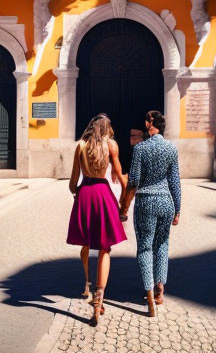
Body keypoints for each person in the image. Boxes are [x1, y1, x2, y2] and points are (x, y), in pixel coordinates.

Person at [66, 114, 127, 325]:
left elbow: (73, 183)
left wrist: (77, 193)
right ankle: (99, 300)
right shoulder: (112, 145)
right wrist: (122, 203)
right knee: (105, 247)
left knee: (85, 243)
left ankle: (87, 282)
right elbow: (120, 176)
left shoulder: (80, 146)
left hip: (85, 195)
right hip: (103, 194)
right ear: (108, 128)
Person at [120, 110, 181, 317]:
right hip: (166, 202)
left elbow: (134, 181)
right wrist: (178, 209)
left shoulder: (140, 149)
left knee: (145, 248)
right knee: (162, 245)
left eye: (146, 119)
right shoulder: (171, 148)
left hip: (146, 202)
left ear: (150, 123)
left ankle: (148, 295)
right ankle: (160, 290)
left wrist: (124, 207)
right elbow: (175, 181)